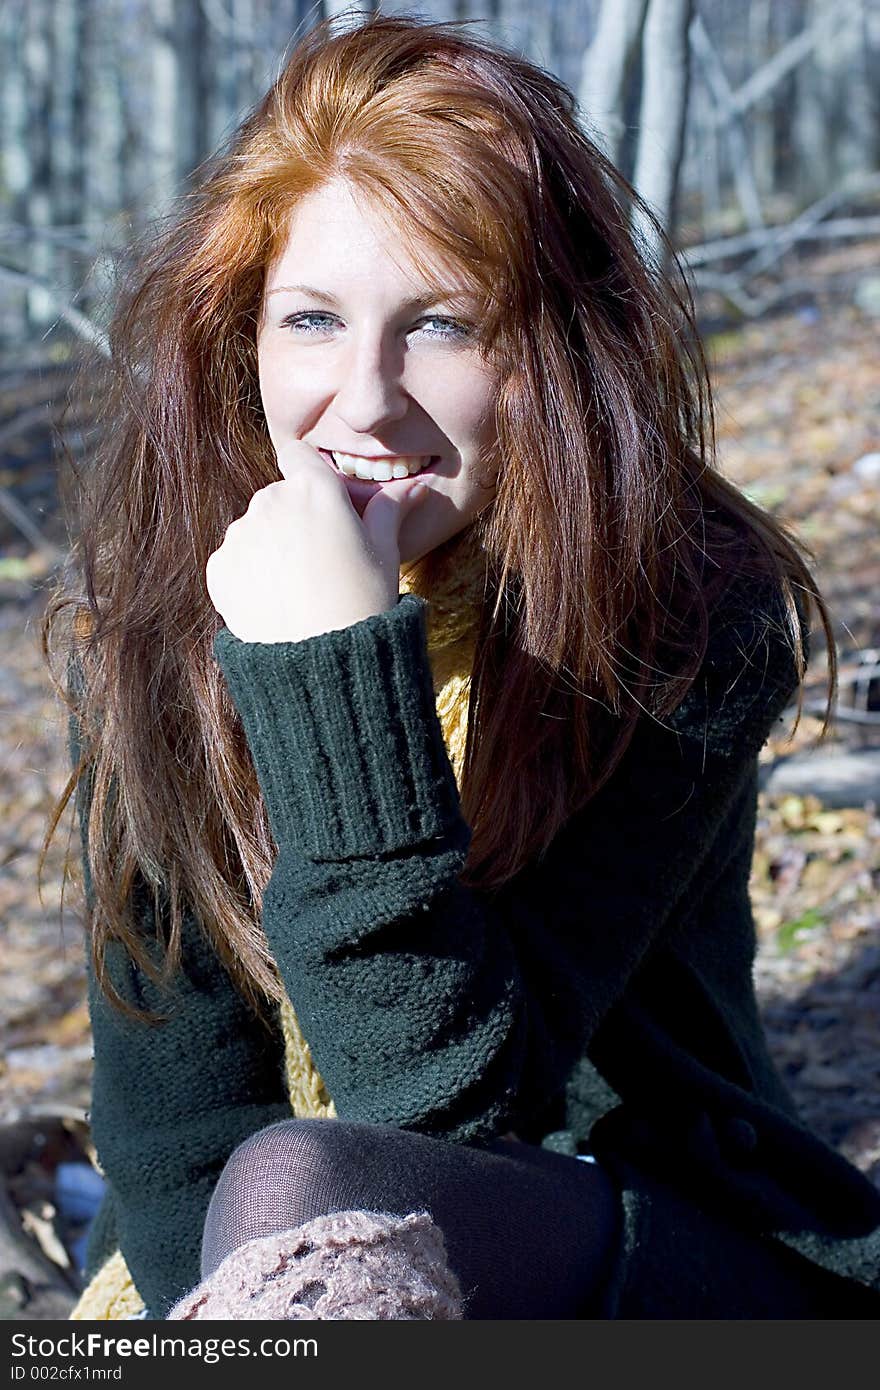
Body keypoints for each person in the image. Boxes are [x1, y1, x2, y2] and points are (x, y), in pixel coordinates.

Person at [43, 12, 880, 1320]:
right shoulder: (165, 623)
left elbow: (438, 1099)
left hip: (638, 1240)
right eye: (311, 318)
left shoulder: (680, 609)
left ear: (546, 352)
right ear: (239, 335)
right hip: (282, 1267)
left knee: (298, 1182)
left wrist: (331, 660)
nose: (363, 400)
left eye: (439, 324)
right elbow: (167, 1139)